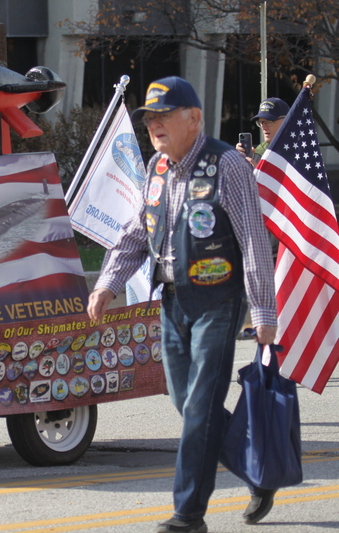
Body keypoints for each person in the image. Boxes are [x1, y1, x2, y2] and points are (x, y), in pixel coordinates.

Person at [87, 76, 278, 533]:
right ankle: (260, 470)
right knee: (188, 401)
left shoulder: (226, 164)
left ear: (194, 118)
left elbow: (254, 239)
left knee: (198, 408)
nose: (154, 125)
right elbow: (137, 234)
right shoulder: (155, 167)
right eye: (149, 118)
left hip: (219, 301)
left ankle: (188, 515)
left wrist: (263, 312)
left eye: (163, 115)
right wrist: (106, 285)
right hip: (171, 301)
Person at [235, 97, 289, 165]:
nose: (263, 127)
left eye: (268, 121)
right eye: (261, 122)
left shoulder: (301, 148)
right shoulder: (260, 152)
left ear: (286, 121)